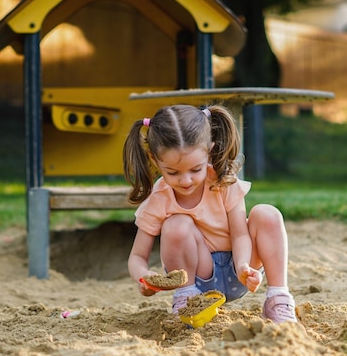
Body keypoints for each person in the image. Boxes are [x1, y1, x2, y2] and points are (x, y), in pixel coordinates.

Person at [122, 104, 296, 324]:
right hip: (196, 279)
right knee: (176, 224)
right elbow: (137, 257)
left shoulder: (222, 181)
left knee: (267, 214)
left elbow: (240, 235)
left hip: (239, 270)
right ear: (156, 161)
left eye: (196, 169)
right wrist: (143, 278)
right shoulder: (159, 198)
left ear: (209, 152)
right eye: (173, 172)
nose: (185, 181)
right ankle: (186, 299)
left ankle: (278, 298)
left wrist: (243, 266)